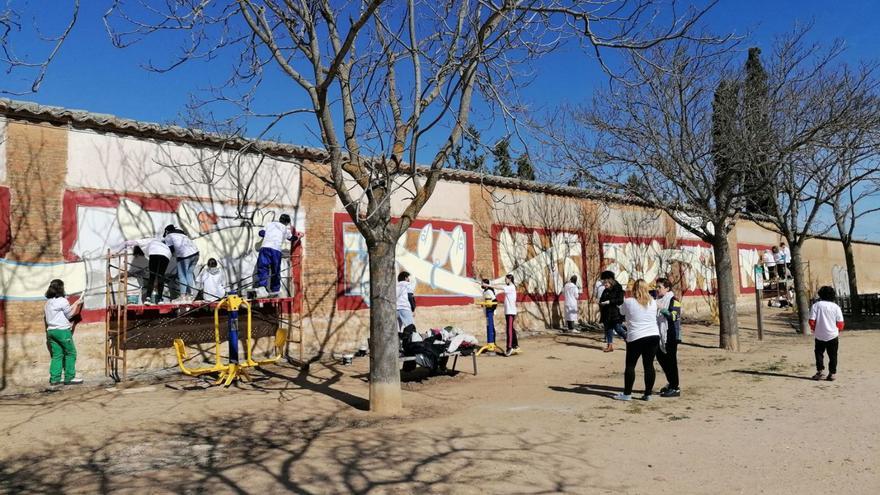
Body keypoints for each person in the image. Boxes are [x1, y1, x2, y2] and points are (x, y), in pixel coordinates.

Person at [613, 279, 660, 401]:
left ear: (634, 289)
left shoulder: (629, 302)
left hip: (636, 336)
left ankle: (627, 394)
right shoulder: (653, 302)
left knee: (630, 365)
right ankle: (648, 394)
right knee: (649, 365)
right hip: (653, 335)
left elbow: (621, 311)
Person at [44, 279, 84, 386]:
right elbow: (69, 315)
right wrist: (76, 305)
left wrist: (75, 303)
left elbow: (63, 312)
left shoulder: (48, 302)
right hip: (62, 331)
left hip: (51, 331)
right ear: (61, 288)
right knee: (71, 353)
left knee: (57, 355)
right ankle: (69, 377)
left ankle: (54, 379)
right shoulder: (62, 301)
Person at [255, 213, 303, 298]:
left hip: (265, 248)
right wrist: (298, 236)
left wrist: (269, 234)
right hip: (276, 250)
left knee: (263, 267)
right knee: (275, 270)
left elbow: (261, 233)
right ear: (287, 222)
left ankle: (262, 287)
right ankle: (275, 289)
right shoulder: (285, 229)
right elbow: (291, 238)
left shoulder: (270, 224)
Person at [654, 278, 682, 398]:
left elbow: (675, 317)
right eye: (656, 287)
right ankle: (671, 382)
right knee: (660, 357)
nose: (657, 289)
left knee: (671, 361)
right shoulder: (656, 300)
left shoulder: (674, 300)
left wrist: (664, 311)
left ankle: (675, 387)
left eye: (659, 287)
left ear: (667, 288)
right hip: (658, 334)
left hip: (671, 335)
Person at [809, 286, 844, 381]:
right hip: (833, 335)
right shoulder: (836, 307)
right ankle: (832, 373)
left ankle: (820, 372)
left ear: (820, 294)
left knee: (819, 353)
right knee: (833, 355)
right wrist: (837, 331)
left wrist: (814, 329)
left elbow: (811, 321)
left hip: (819, 334)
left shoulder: (816, 305)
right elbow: (840, 323)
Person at [124, 238, 172, 304]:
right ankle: (160, 299)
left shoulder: (146, 241)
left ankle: (148, 298)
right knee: (161, 276)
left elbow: (129, 242)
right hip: (166, 253)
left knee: (152, 276)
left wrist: (118, 251)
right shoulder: (159, 240)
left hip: (154, 252)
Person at [164, 225, 200, 303]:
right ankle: (190, 295)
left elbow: (170, 250)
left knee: (182, 276)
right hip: (196, 254)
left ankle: (183, 297)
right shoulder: (182, 234)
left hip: (184, 256)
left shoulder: (168, 236)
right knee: (189, 274)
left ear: (167, 231)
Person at [598, 270, 626, 352]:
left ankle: (628, 340)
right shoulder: (605, 290)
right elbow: (601, 299)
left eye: (606, 282)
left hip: (616, 313)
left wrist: (610, 301)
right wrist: (601, 303)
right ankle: (609, 345)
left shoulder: (618, 289)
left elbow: (620, 300)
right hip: (606, 313)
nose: (604, 284)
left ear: (610, 281)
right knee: (608, 329)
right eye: (604, 282)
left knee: (618, 329)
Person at [481, 279, 498, 347]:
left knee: (491, 327)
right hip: (487, 312)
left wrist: (492, 310)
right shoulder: (485, 291)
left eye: (482, 283)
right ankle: (490, 343)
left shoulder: (489, 291)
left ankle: (493, 342)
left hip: (490, 312)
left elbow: (495, 300)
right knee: (489, 326)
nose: (481, 284)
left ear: (486, 284)